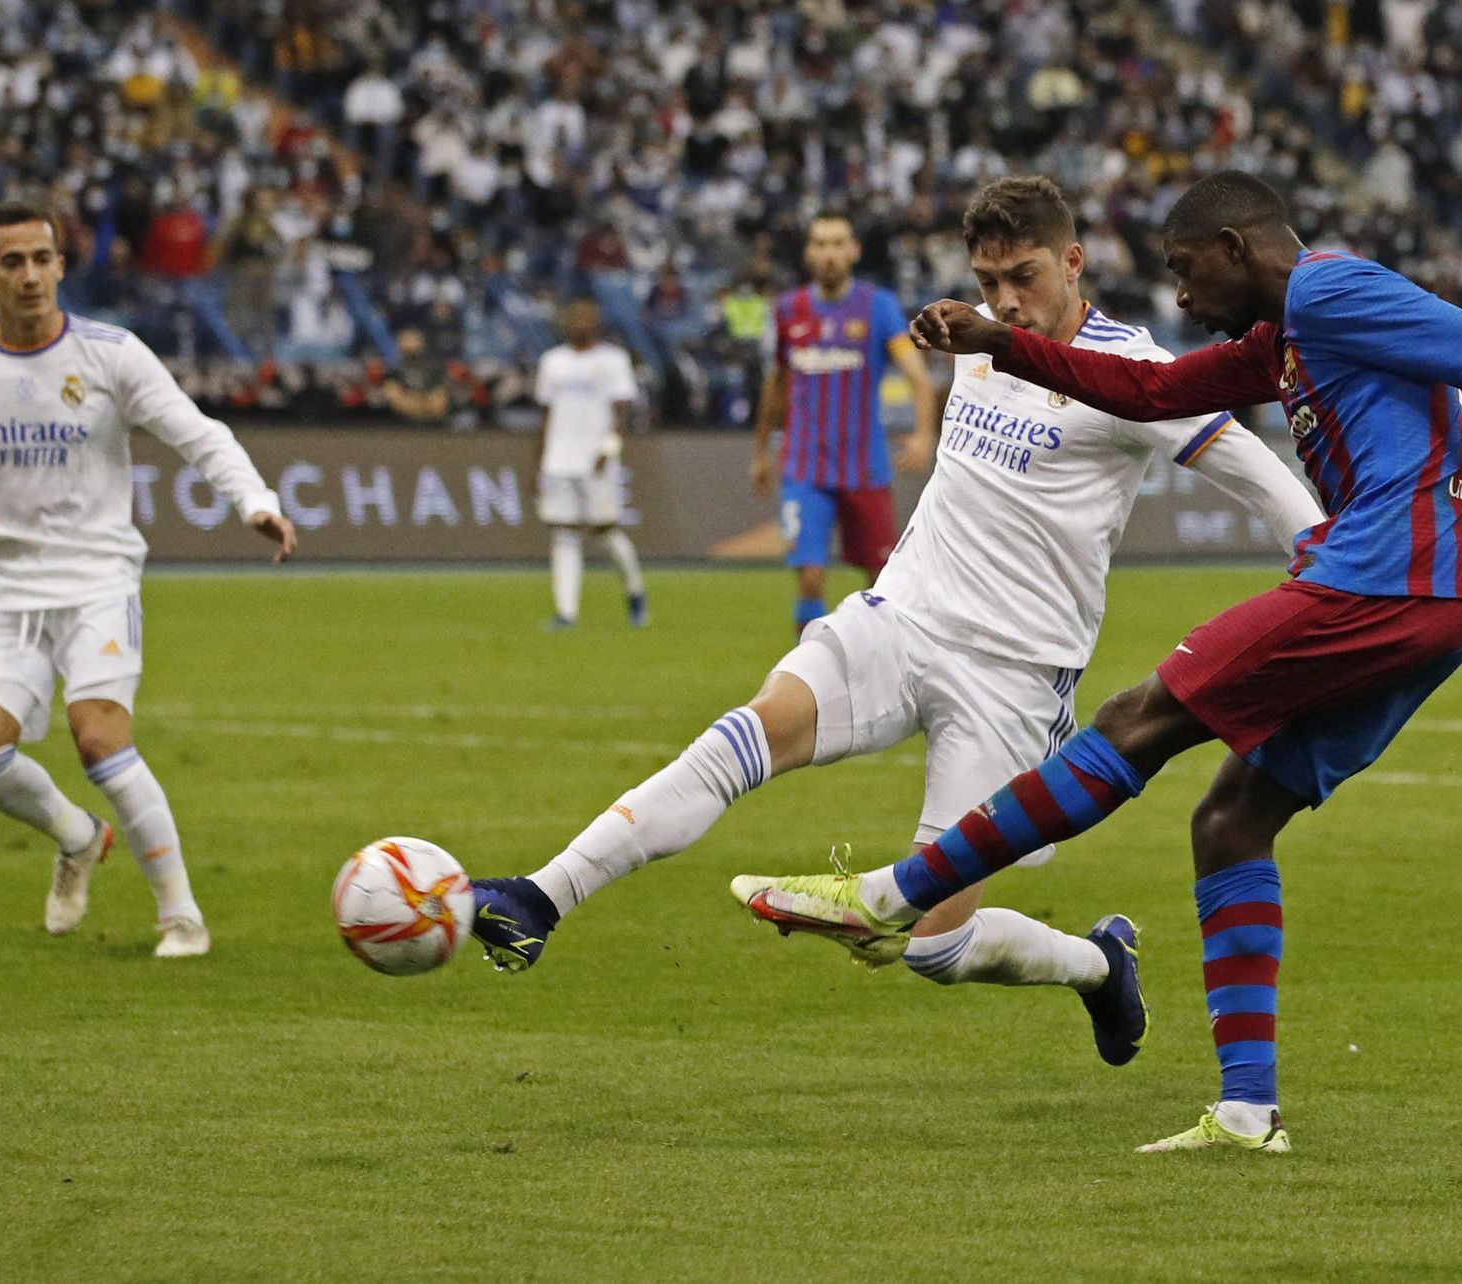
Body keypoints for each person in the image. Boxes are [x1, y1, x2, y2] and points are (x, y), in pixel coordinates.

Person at [735, 171, 1462, 1154]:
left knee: (1138, 718)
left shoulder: (1326, 292)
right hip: (1434, 602)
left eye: (1185, 268)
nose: (1177, 295)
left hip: (1390, 572)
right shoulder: (1286, 342)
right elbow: (1152, 391)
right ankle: (1249, 1112)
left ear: (1239, 247)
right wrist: (1002, 343)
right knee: (1230, 821)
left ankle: (889, 897)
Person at [470, 178, 1322, 1071]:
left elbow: (1257, 472)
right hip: (901, 617)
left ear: (1074, 262)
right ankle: (543, 896)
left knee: (936, 948)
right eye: (987, 281)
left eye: (1022, 276)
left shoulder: (1135, 371)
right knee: (750, 732)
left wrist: (1322, 571)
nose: (1003, 301)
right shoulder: (980, 342)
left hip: (1015, 674)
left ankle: (1097, 964)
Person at [0, 202, 298, 958]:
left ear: (61, 266)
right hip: (2, 592)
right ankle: (76, 836)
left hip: (98, 579)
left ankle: (180, 915)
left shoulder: (112, 354)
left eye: (42, 258)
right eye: (13, 262)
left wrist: (256, 502)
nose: (30, 275)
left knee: (100, 739)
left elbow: (201, 434)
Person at [751, 212, 938, 634]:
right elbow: (775, 385)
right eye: (820, 244)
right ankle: (810, 677)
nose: (829, 253)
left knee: (882, 578)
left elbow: (918, 377)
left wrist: (925, 434)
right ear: (808, 254)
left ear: (853, 251)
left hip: (864, 467)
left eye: (838, 243)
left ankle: (882, 669)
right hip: (804, 467)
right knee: (810, 576)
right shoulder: (788, 310)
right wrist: (761, 452)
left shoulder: (878, 306)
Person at [533, 297, 647, 630]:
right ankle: (566, 612)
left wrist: (608, 449)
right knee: (564, 533)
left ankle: (635, 592)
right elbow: (545, 416)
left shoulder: (613, 360)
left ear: (597, 322)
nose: (580, 323)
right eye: (574, 317)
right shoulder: (552, 362)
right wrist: (539, 462)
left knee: (605, 529)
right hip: (558, 460)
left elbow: (623, 410)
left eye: (586, 317)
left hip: (595, 459)